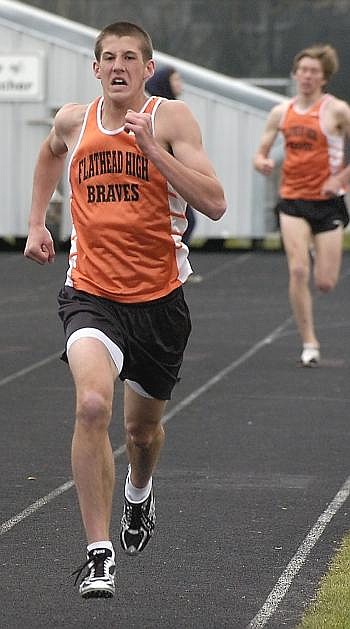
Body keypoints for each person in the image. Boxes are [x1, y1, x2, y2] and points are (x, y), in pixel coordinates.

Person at [24, 21, 226, 599]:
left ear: (146, 68)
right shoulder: (75, 120)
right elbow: (48, 152)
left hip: (160, 300)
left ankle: (139, 490)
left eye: (130, 57)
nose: (118, 66)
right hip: (91, 294)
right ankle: (98, 552)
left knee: (142, 433)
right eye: (108, 57)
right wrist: (38, 221)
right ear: (95, 68)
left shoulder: (171, 120)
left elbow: (214, 202)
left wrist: (152, 152)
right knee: (92, 405)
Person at [254, 44, 350, 366]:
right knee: (297, 270)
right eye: (302, 70)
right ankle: (309, 342)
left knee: (325, 282)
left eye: (314, 72)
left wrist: (340, 180)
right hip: (292, 200)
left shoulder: (337, 111)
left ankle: (313, 250)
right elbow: (260, 151)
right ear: (295, 75)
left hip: (327, 203)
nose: (307, 76)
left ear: (324, 78)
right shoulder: (281, 112)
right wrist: (262, 161)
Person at [146, 66, 201, 279]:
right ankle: (171, 267)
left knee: (187, 221)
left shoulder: (176, 111)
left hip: (176, 180)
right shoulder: (160, 112)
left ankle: (174, 266)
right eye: (176, 80)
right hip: (161, 182)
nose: (181, 85)